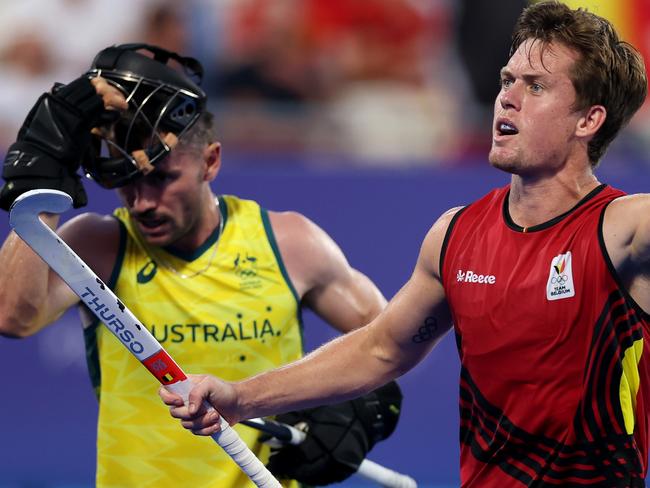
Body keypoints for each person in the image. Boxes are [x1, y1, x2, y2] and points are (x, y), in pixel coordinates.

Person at [160, 2, 650, 486]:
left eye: (536, 86)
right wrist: (241, 397)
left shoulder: (623, 228)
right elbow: (381, 348)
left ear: (588, 121)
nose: (507, 98)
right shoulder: (455, 234)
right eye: (507, 80)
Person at [0, 43, 387, 487]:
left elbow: (386, 336)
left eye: (163, 178)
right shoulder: (98, 245)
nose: (143, 202)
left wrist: (359, 412)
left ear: (211, 161)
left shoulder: (290, 242)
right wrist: (44, 185)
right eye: (128, 181)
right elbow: (13, 316)